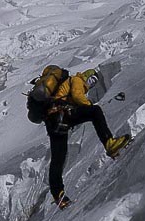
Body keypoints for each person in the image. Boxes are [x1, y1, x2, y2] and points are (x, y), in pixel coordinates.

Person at [41, 67, 130, 208]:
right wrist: (89, 105)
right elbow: (77, 96)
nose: (91, 83)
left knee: (59, 157)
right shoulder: (77, 80)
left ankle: (58, 194)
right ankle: (110, 144)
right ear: (86, 76)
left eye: (94, 82)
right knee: (95, 111)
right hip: (62, 115)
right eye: (92, 79)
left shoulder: (66, 85)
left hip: (53, 121)